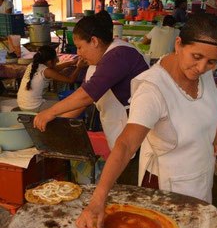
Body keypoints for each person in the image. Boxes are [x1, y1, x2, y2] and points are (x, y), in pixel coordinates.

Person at [75, 13, 217, 228]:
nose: (202, 67)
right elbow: (126, 145)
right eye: (196, 57)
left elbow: (206, 102)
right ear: (178, 44)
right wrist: (98, 200)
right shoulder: (153, 89)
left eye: (212, 62)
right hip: (167, 190)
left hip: (201, 177)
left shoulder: (200, 71)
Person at [33, 11, 149, 150]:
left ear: (94, 41)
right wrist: (56, 128)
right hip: (120, 132)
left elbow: (86, 96)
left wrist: (50, 112)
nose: (78, 53)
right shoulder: (97, 63)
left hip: (139, 132)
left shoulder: (118, 55)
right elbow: (79, 104)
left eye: (80, 47)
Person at [17, 46, 83, 112]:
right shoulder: (46, 71)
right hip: (33, 106)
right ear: (49, 62)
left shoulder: (33, 65)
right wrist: (79, 67)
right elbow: (70, 80)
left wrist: (71, 63)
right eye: (55, 59)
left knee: (57, 98)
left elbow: (55, 69)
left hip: (22, 104)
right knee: (68, 107)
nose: (57, 61)